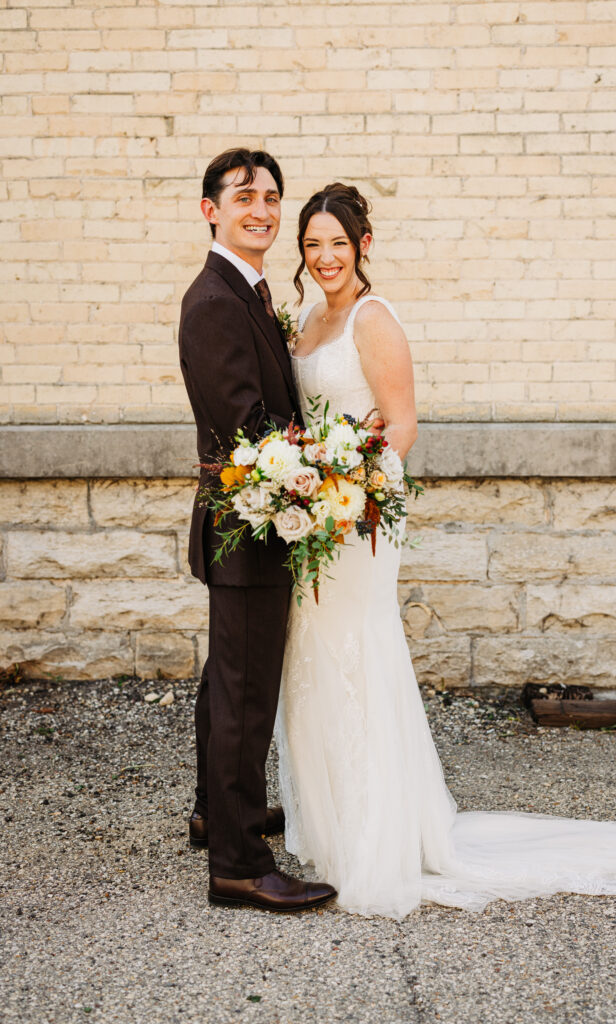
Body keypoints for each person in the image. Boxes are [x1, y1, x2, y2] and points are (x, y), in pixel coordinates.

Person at [274, 182, 616, 919]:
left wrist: (343, 488)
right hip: (313, 517)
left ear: (363, 245)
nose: (324, 257)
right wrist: (303, 485)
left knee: (357, 657)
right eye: (311, 245)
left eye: (337, 243)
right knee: (313, 659)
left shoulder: (372, 319)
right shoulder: (306, 314)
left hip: (358, 518)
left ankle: (378, 837)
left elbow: (400, 426)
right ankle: (332, 825)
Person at [178, 148, 336, 912]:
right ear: (210, 209)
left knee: (228, 679)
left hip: (256, 524)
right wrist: (327, 468)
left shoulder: (247, 292)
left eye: (272, 197)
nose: (263, 210)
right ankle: (238, 864)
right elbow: (248, 427)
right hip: (249, 524)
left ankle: (219, 810)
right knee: (245, 692)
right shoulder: (213, 300)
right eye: (244, 197)